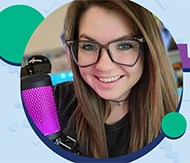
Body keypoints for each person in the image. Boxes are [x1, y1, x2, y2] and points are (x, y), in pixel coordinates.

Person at [54, 0, 178, 158]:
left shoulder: (175, 125)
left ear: (149, 52)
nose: (104, 66)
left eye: (125, 45)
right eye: (89, 46)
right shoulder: (53, 101)